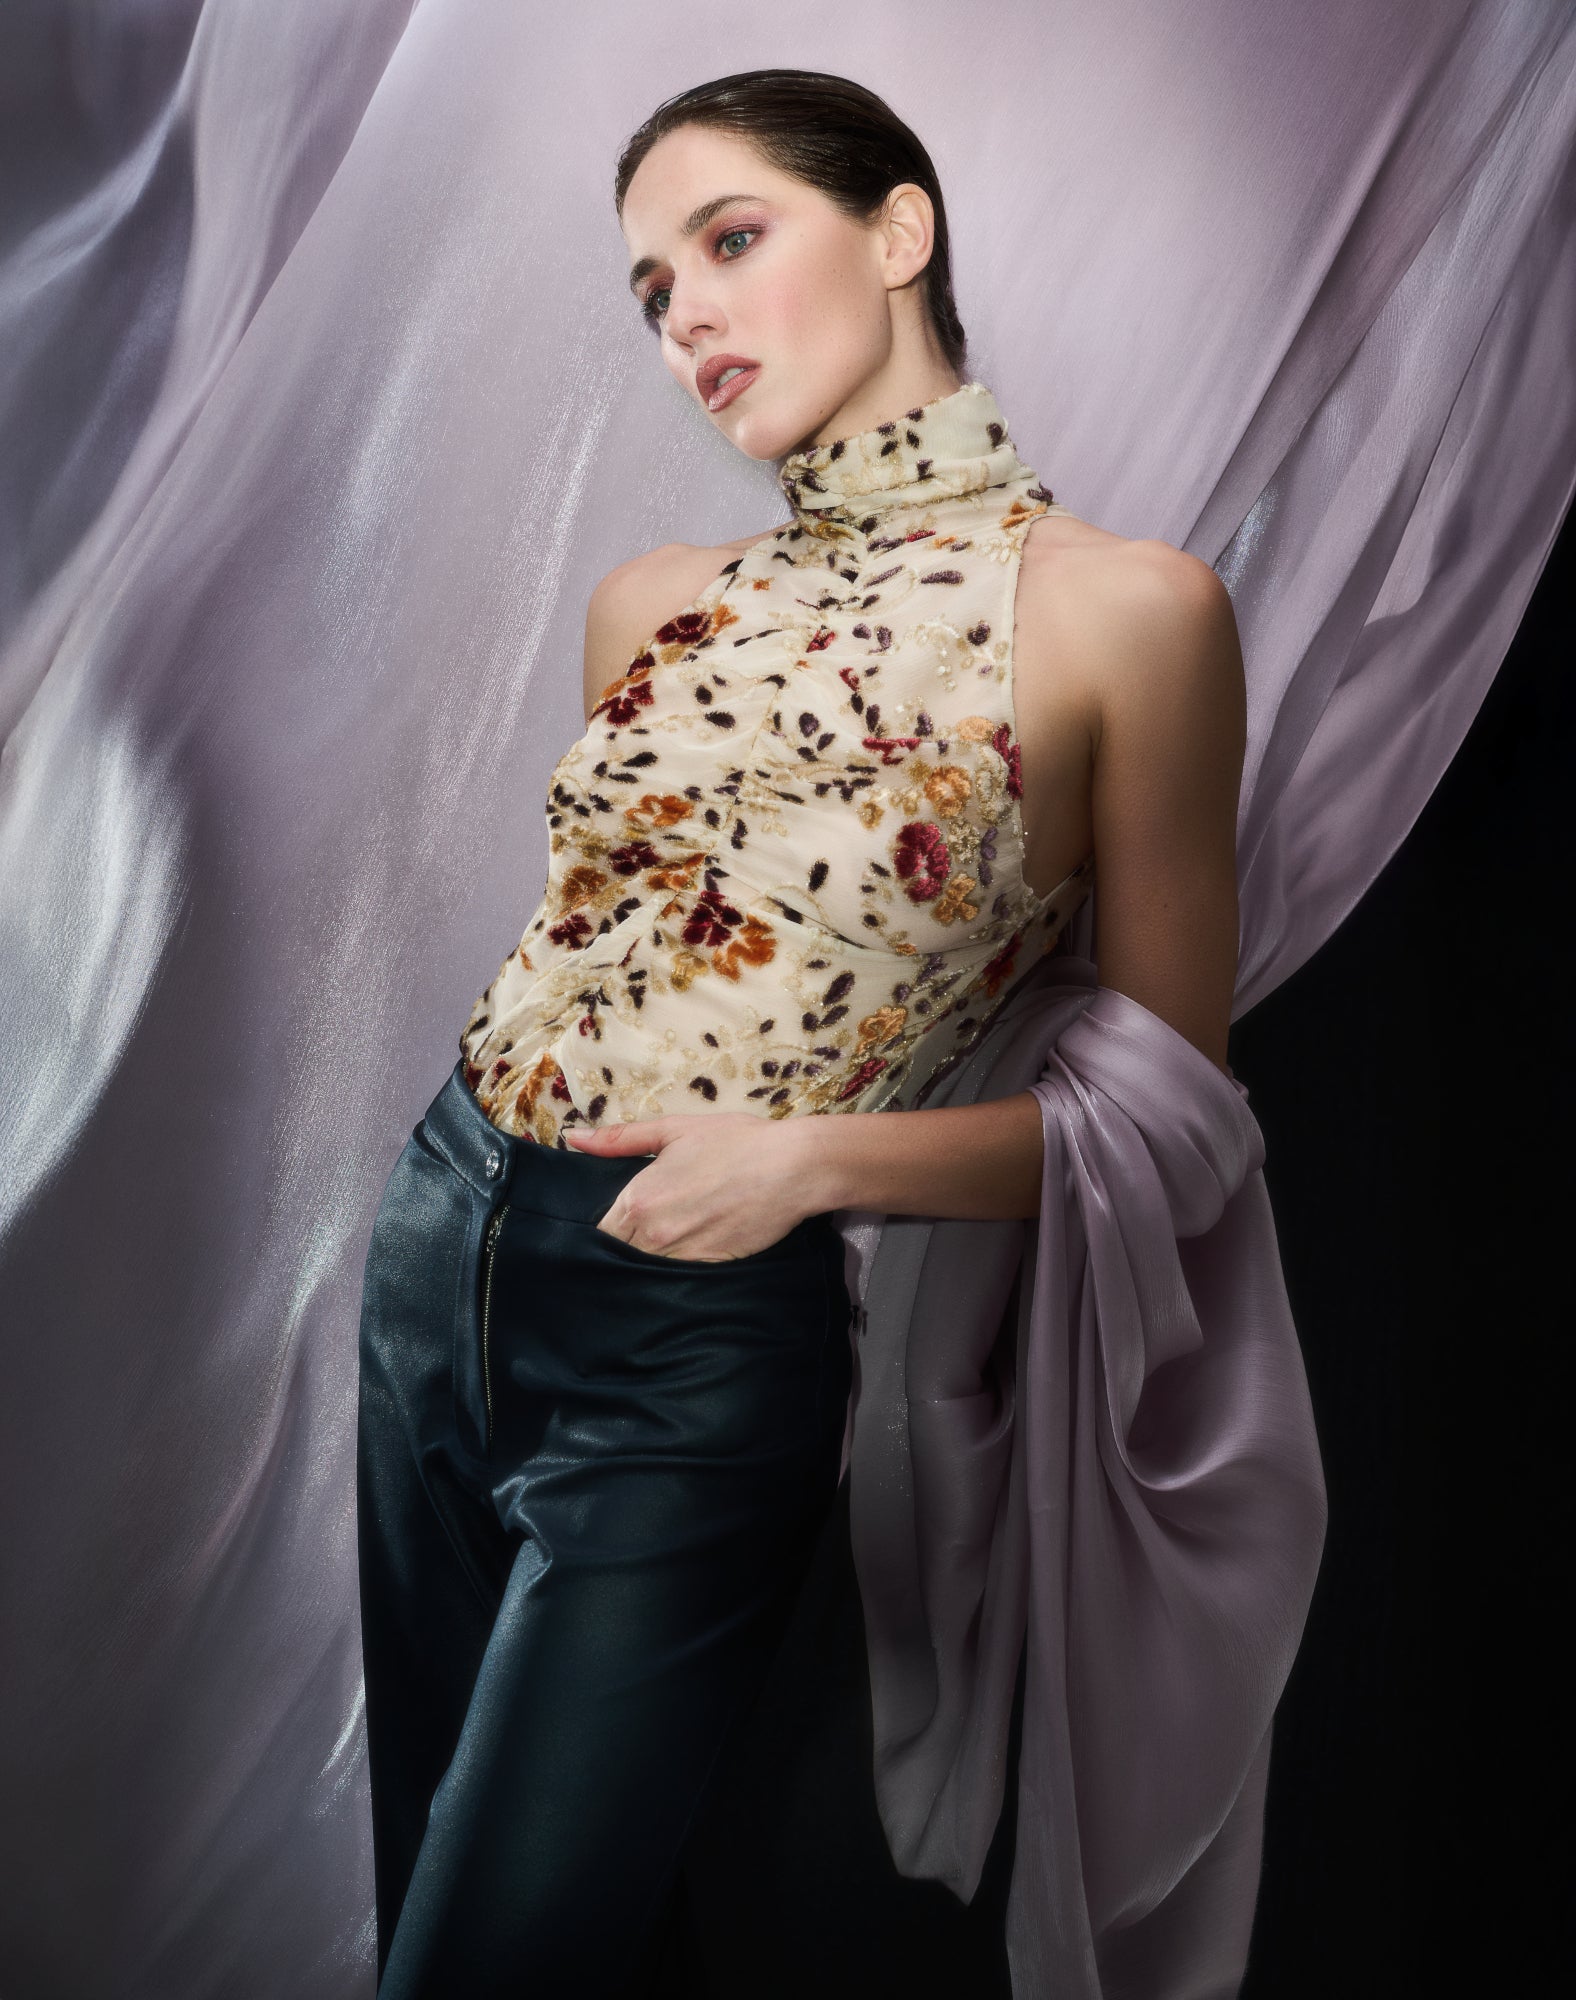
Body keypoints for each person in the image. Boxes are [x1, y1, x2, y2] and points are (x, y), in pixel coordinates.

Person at [354, 65, 1245, 1999]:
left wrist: (808, 1163)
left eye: (730, 240)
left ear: (899, 229)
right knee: (492, 1913)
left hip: (692, 1341)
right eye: (652, 291)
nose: (686, 315)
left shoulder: (1129, 614)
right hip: (440, 1248)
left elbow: (1173, 1134)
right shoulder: (653, 604)